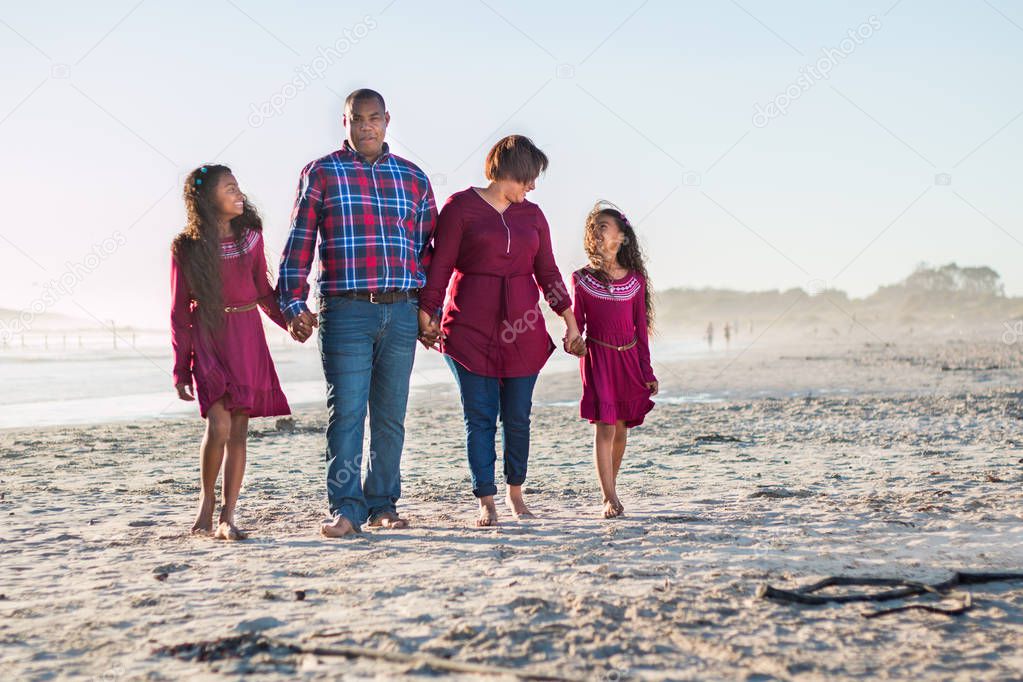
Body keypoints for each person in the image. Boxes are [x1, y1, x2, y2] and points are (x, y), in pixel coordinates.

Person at [277, 89, 437, 538]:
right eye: (356, 119)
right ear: (344, 123)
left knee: (390, 415)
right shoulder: (323, 173)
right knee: (346, 412)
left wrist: (428, 309)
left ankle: (383, 503)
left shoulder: (413, 179)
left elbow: (426, 249)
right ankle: (346, 508)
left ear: (387, 120)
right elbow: (299, 241)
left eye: (374, 118)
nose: (366, 126)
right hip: (345, 311)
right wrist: (293, 303)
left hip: (401, 310)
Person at [418, 135, 582, 527]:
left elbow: (548, 273)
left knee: (518, 416)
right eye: (529, 178)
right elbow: (440, 266)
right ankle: (485, 499)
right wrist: (429, 313)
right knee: (479, 416)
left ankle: (515, 493)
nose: (533, 187)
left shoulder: (533, 216)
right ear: (510, 172)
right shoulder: (460, 208)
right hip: (469, 327)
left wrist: (570, 320)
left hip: (522, 327)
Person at [170, 164, 290, 540]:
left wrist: (292, 322)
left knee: (239, 430)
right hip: (208, 335)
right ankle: (205, 504)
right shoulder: (186, 247)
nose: (239, 194)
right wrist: (180, 369)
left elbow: (262, 291)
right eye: (229, 189)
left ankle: (228, 515)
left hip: (246, 333)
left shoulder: (251, 237)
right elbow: (178, 312)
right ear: (207, 200)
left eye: (238, 187)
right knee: (217, 423)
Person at [571, 202, 657, 519]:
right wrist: (573, 342)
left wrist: (647, 371)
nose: (597, 232)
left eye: (603, 226)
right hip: (598, 357)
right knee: (605, 427)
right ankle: (609, 497)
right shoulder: (581, 279)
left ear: (621, 237)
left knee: (621, 429)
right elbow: (576, 325)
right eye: (593, 228)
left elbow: (641, 331)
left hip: (630, 359)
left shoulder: (636, 281)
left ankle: (612, 486)